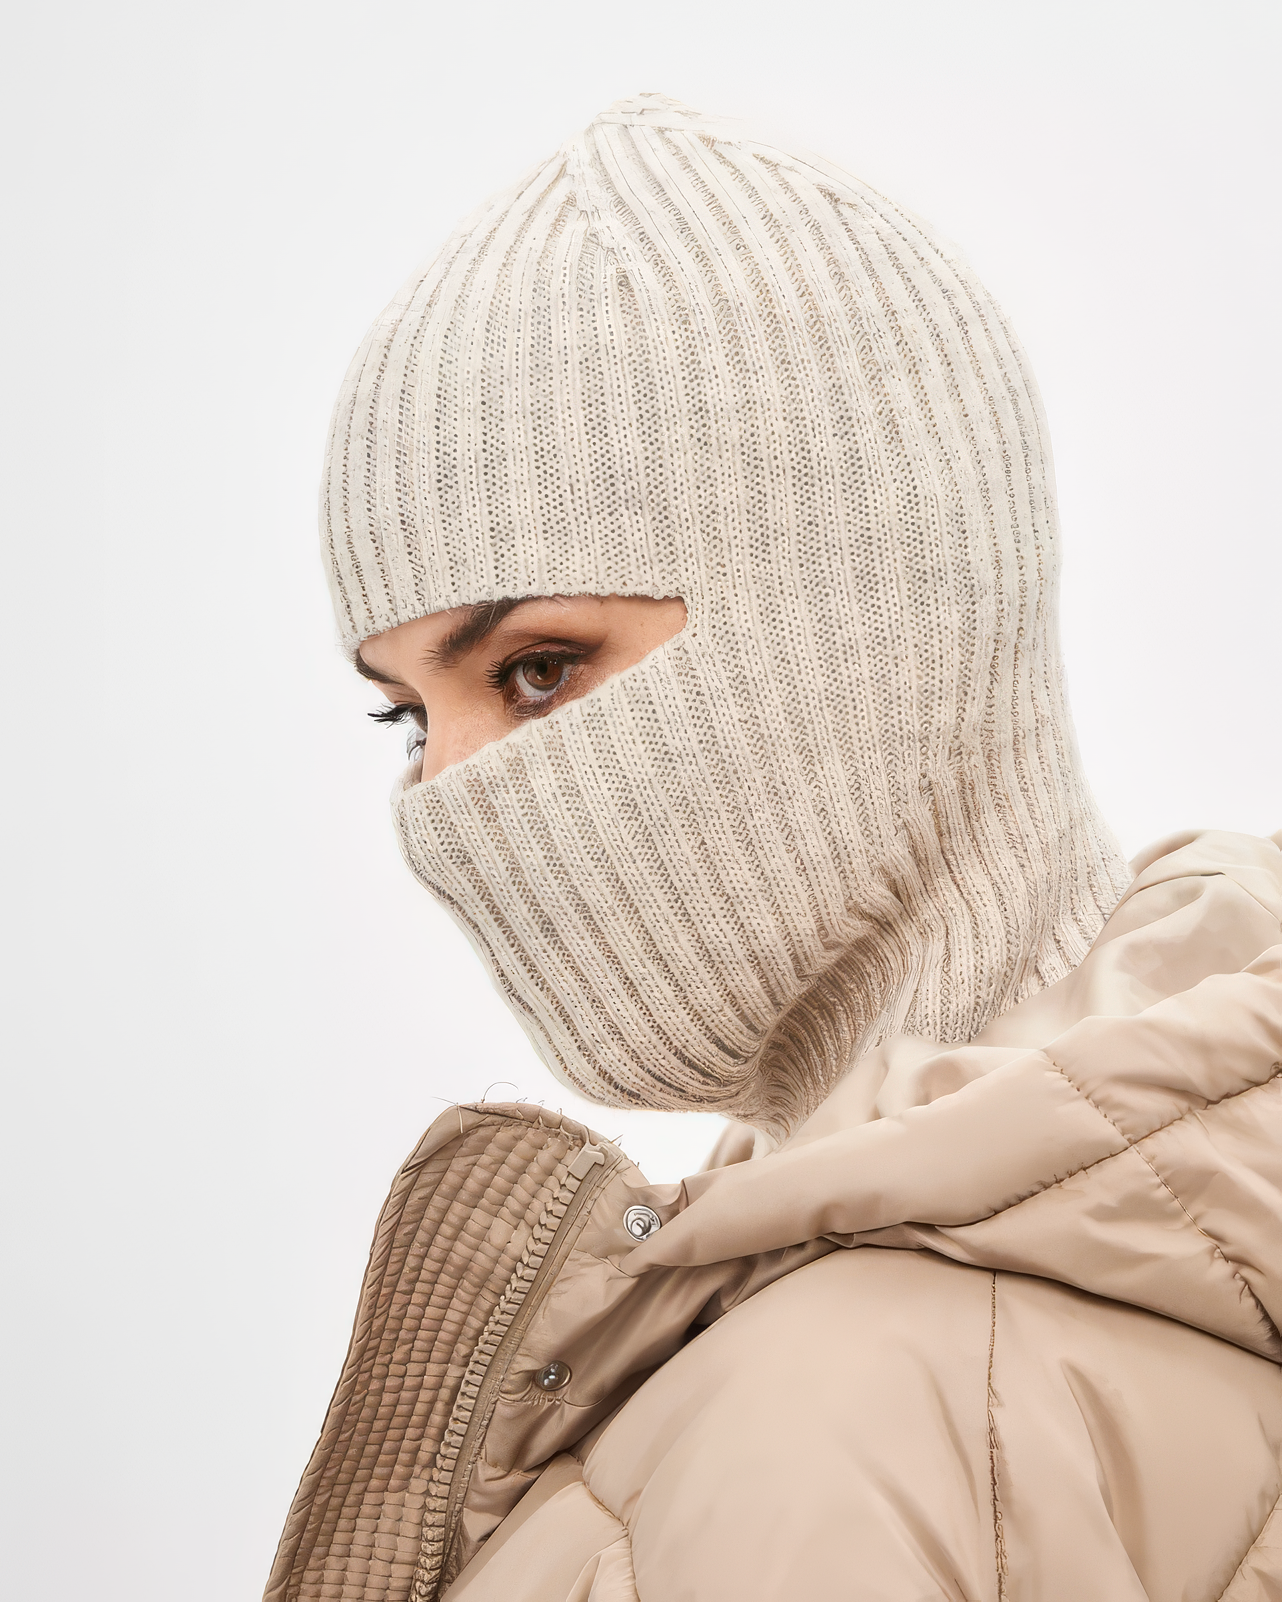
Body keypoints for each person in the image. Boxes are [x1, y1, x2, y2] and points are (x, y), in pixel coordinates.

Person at [265, 95, 1282, 1603]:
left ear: (876, 609)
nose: (445, 799)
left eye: (536, 669)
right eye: (407, 717)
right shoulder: (1128, 1248)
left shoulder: (832, 1417)